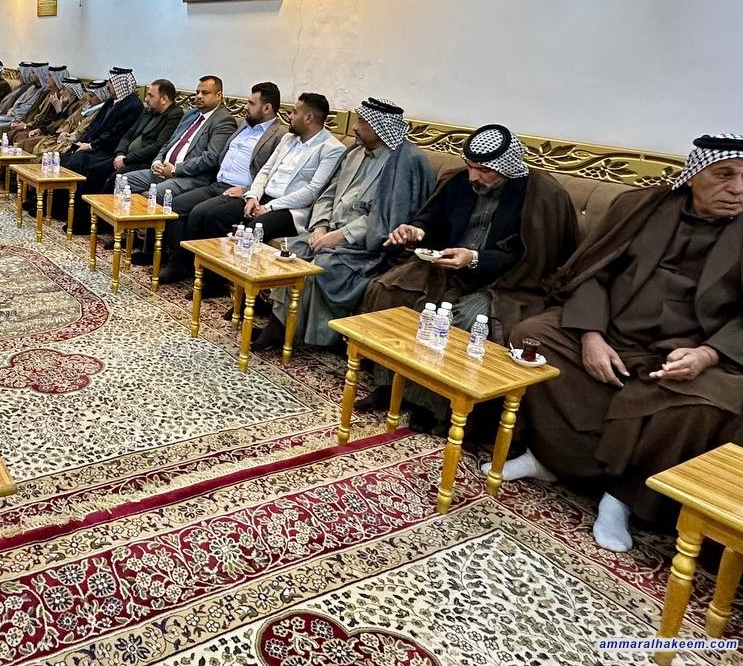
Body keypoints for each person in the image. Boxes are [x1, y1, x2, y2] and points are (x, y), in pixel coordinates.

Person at [491, 134, 743, 552]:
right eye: (724, 175)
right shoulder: (640, 207)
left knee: (701, 404)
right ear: (693, 175)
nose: (739, 189)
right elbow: (592, 272)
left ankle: (622, 497)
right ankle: (550, 457)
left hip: (690, 352)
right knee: (532, 336)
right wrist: (591, 335)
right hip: (611, 329)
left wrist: (707, 354)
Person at [359, 124, 579, 432]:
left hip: (506, 282)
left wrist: (475, 258)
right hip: (447, 266)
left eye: (483, 170)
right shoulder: (460, 181)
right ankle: (390, 385)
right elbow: (434, 219)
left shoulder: (543, 197)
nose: (473, 176)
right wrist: (417, 230)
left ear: (506, 167)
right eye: (470, 166)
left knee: (464, 319)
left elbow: (530, 258)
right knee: (388, 290)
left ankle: (434, 405)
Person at [257, 97, 436, 350]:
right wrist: (320, 226)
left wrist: (340, 236)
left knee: (325, 265)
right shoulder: (355, 152)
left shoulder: (405, 161)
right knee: (291, 252)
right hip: (329, 231)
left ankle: (304, 336)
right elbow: (328, 194)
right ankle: (279, 324)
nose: (354, 127)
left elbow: (390, 218)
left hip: (365, 246)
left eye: (362, 122)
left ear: (380, 127)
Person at [160, 92, 343, 284]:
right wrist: (253, 196)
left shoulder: (331, 148)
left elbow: (312, 191)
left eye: (295, 112)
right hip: (262, 197)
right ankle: (201, 271)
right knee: (216, 215)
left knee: (254, 228)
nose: (289, 116)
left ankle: (226, 286)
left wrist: (269, 207)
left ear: (308, 117)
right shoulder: (289, 138)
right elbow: (265, 171)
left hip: (290, 209)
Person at [132, 82, 284, 267]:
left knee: (200, 212)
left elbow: (270, 174)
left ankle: (185, 265)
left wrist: (246, 190)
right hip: (217, 182)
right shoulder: (245, 125)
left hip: (238, 190)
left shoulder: (278, 136)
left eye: (251, 103)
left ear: (267, 108)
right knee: (176, 205)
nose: (245, 107)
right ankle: (174, 259)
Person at [124, 75, 237, 199]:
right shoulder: (191, 114)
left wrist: (175, 170)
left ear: (218, 95)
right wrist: (157, 162)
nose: (199, 96)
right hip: (162, 170)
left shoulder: (223, 121)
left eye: (205, 93)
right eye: (197, 92)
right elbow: (169, 142)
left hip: (189, 177)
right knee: (124, 180)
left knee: (158, 192)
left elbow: (211, 158)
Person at [76, 79, 184, 196]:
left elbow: (158, 145)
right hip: (125, 157)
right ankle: (83, 206)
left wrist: (126, 160)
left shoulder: (175, 115)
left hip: (144, 161)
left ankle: (99, 207)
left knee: (115, 178)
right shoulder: (148, 110)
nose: (146, 99)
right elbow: (128, 135)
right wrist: (120, 154)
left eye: (151, 95)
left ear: (164, 99)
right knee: (95, 169)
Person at [61, 69, 143, 178]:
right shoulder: (111, 101)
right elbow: (94, 126)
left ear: (121, 84)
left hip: (109, 150)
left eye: (111, 82)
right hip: (97, 145)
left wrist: (90, 145)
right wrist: (80, 142)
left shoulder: (133, 105)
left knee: (77, 161)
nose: (107, 85)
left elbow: (116, 135)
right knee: (63, 156)